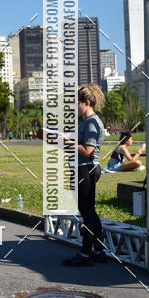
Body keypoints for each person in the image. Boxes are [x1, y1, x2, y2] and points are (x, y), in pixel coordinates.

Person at [63, 84, 106, 266]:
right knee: (89, 211)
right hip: (82, 168)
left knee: (87, 213)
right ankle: (98, 249)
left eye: (76, 103)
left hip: (86, 168)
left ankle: (85, 254)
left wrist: (67, 142)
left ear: (86, 103)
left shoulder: (92, 122)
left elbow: (88, 150)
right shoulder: (84, 122)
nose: (74, 107)